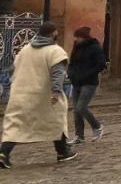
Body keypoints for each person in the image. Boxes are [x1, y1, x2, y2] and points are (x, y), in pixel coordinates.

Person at [0, 23, 75, 168]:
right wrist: (56, 91)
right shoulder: (55, 51)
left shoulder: (25, 50)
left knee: (15, 125)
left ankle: (3, 154)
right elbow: (58, 74)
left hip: (21, 94)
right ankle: (62, 152)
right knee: (56, 120)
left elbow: (12, 69)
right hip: (44, 96)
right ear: (54, 33)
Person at [67, 27, 107, 144]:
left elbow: (101, 64)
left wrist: (88, 74)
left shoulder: (95, 47)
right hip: (76, 82)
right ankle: (79, 136)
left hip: (89, 82)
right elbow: (72, 62)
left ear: (83, 37)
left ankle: (97, 127)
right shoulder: (76, 47)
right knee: (76, 110)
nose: (75, 39)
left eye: (77, 37)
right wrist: (71, 73)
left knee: (81, 107)